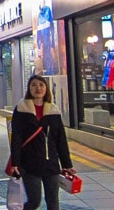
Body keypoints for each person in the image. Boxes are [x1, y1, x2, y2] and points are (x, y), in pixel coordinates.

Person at [9, 75, 76, 210]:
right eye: (33, 85)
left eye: (41, 85)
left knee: (53, 202)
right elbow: (16, 138)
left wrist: (66, 164)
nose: (38, 88)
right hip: (29, 164)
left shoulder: (53, 110)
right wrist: (15, 163)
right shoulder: (21, 109)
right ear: (29, 88)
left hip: (51, 164)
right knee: (34, 201)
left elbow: (60, 140)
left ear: (46, 88)